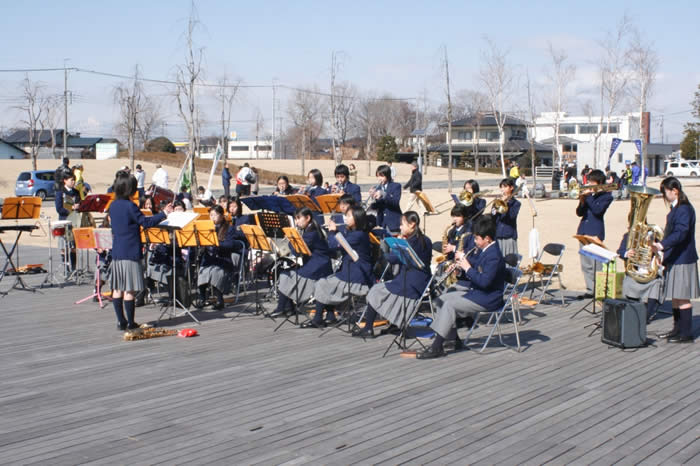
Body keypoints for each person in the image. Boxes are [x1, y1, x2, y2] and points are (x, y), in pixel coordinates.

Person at [417, 215, 506, 359]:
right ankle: (453, 339)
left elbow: (484, 282)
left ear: (487, 238)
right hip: (478, 293)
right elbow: (476, 271)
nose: (475, 242)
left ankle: (436, 346)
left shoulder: (494, 255)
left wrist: (467, 267)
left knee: (450, 305)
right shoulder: (485, 251)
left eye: (477, 238)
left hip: (489, 298)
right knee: (441, 299)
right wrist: (460, 270)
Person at [353, 211, 432, 338]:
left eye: (402, 224)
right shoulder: (424, 239)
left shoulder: (413, 242)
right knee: (380, 288)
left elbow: (392, 259)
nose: (400, 227)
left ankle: (369, 328)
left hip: (411, 282)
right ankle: (392, 325)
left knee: (376, 290)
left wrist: (393, 246)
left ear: (412, 225)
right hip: (417, 280)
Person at [109, 172, 172, 330]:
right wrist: (164, 213)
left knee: (117, 289)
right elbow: (146, 222)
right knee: (129, 290)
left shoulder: (113, 205)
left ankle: (120, 321)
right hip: (130, 251)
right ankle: (130, 322)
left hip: (117, 251)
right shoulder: (130, 206)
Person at [302, 206, 373, 328]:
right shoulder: (353, 233)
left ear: (357, 218)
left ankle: (318, 318)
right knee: (325, 282)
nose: (345, 218)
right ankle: (330, 317)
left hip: (357, 275)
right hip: (349, 270)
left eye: (349, 216)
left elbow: (335, 244)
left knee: (323, 283)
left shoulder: (359, 235)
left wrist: (332, 232)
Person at [651, 177, 698, 343]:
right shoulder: (676, 208)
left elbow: (681, 233)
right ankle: (677, 329)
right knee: (676, 297)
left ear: (674, 190)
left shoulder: (684, 209)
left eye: (665, 191)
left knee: (683, 296)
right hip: (675, 257)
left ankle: (686, 333)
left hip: (683, 258)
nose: (664, 195)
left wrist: (661, 245)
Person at [271, 207, 333, 318]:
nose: (296, 222)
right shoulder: (310, 229)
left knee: (286, 275)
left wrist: (291, 241)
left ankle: (282, 308)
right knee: (286, 273)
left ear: (308, 218)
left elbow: (297, 252)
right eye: (295, 219)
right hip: (317, 263)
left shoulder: (311, 233)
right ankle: (288, 308)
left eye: (298, 218)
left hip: (318, 266)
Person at [575, 169, 614, 299]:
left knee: (596, 264)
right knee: (586, 264)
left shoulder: (606, 197)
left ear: (599, 182)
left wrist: (589, 197)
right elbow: (579, 213)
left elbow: (598, 211)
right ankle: (590, 289)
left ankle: (599, 291)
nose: (589, 184)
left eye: (592, 181)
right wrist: (582, 200)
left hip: (595, 232)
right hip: (583, 231)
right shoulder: (588, 197)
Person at [195, 205, 237, 310]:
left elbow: (231, 245)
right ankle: (202, 298)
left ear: (222, 216)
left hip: (223, 260)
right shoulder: (207, 228)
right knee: (203, 270)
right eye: (211, 215)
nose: (212, 217)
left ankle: (219, 299)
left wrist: (216, 243)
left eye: (215, 215)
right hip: (209, 260)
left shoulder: (229, 228)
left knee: (215, 272)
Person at [617, 232, 663, 323]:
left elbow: (661, 252)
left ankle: (646, 315)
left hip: (650, 273)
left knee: (656, 284)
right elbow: (620, 251)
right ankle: (630, 311)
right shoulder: (628, 236)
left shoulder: (653, 237)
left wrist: (656, 252)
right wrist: (627, 253)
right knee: (628, 283)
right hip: (635, 272)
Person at [55, 171, 81, 270]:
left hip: (74, 221)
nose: (73, 182)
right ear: (65, 181)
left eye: (74, 180)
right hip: (64, 221)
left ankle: (74, 268)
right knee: (64, 246)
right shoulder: (60, 192)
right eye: (71, 180)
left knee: (73, 246)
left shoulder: (76, 192)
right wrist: (71, 209)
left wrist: (79, 207)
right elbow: (59, 208)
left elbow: (79, 204)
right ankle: (66, 268)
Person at [368, 164, 402, 233]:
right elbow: (376, 207)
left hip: (393, 222)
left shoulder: (396, 186)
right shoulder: (377, 188)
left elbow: (395, 202)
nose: (379, 178)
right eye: (378, 176)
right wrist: (373, 197)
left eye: (382, 176)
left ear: (388, 175)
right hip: (381, 222)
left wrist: (384, 195)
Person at [492, 178, 521, 258]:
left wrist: (506, 204)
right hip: (498, 233)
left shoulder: (516, 203)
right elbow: (493, 216)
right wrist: (497, 208)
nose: (502, 189)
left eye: (505, 187)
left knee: (509, 259)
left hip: (509, 234)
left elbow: (512, 216)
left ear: (511, 188)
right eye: (501, 187)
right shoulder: (497, 201)